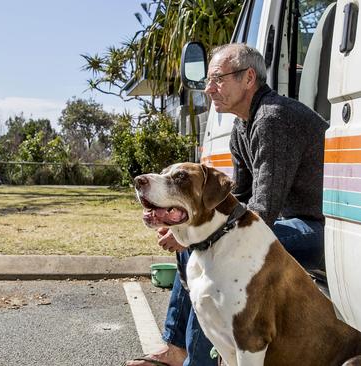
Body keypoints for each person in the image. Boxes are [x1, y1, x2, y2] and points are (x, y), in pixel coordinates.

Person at [127, 43, 328, 366]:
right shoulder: (243, 126)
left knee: (200, 248)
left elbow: (262, 210)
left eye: (218, 78)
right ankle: (179, 348)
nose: (208, 89)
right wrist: (185, 225)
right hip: (284, 222)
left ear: (249, 78)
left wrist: (196, 236)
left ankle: (194, 359)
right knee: (192, 243)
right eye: (208, 80)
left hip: (313, 228)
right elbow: (238, 201)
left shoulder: (273, 119)